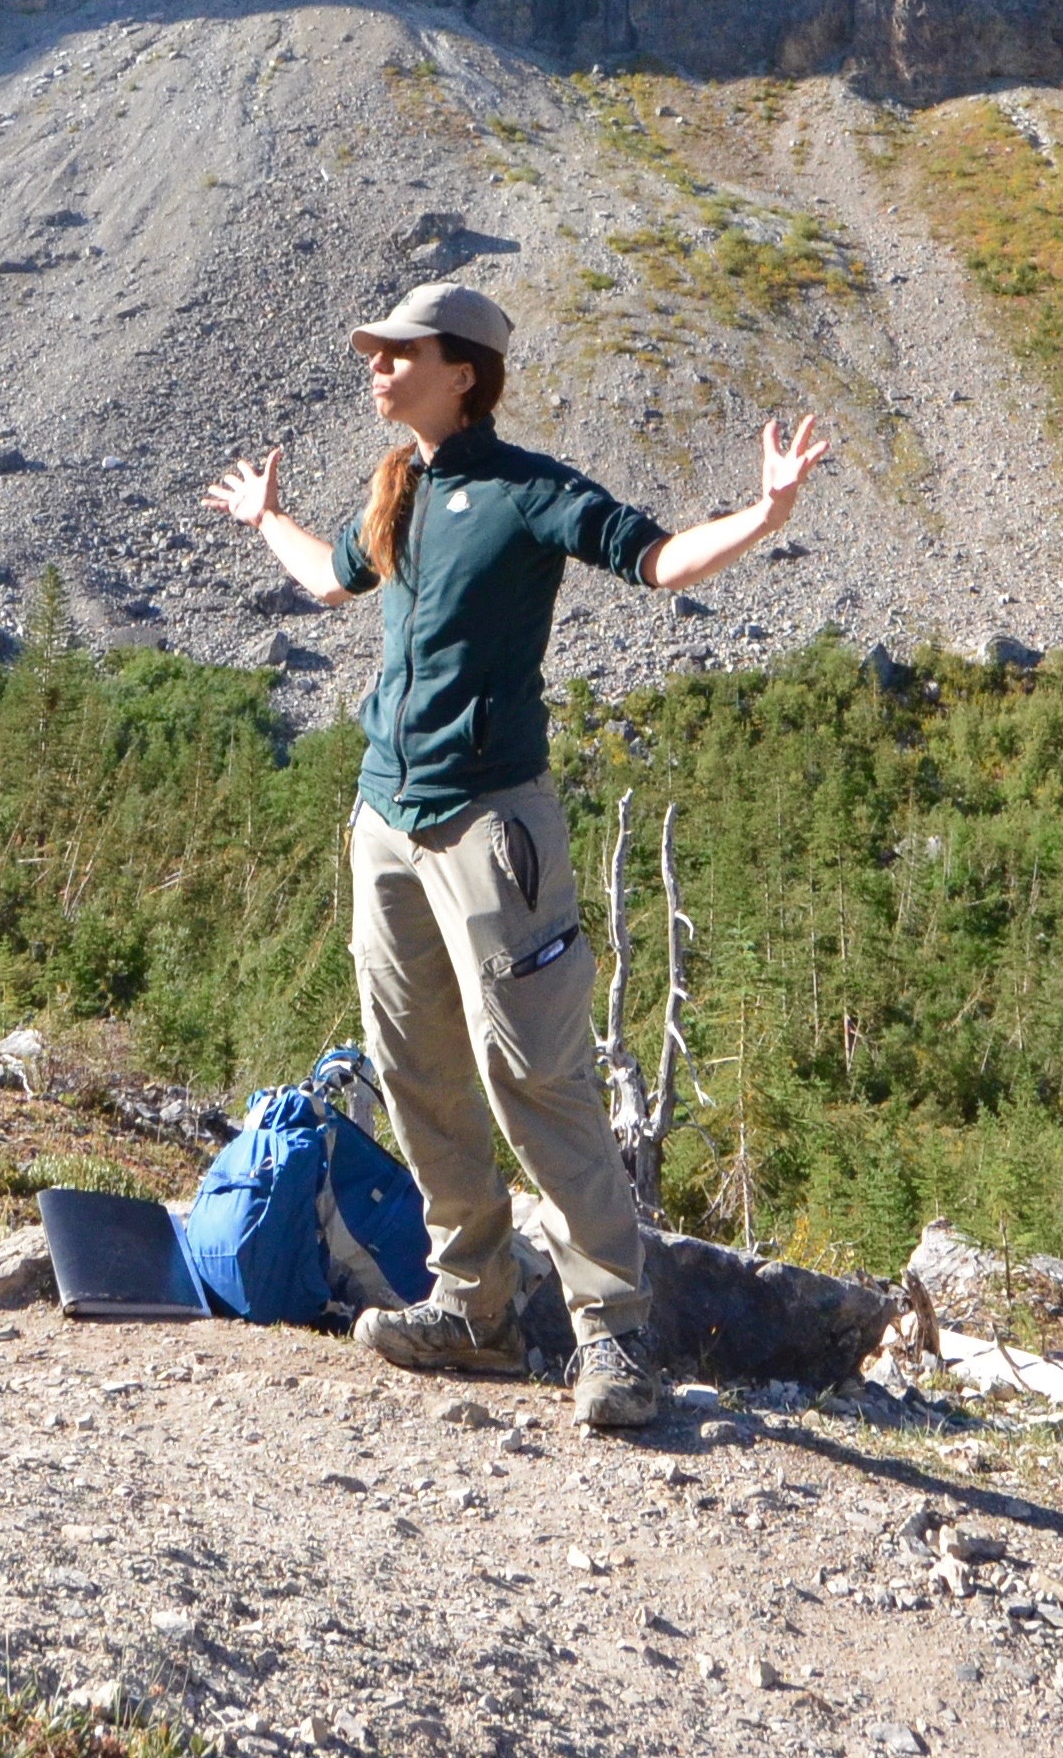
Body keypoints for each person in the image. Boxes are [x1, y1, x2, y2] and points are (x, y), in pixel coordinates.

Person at [204, 279, 831, 1432]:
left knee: (535, 1076)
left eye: (398, 354)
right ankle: (474, 1309)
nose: (376, 368)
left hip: (494, 830)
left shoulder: (531, 493)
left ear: (463, 372)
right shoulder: (402, 486)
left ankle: (613, 1339)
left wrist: (764, 514)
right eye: (376, 353)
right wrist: (263, 521)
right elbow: (329, 578)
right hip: (383, 824)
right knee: (416, 1071)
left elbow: (653, 561)